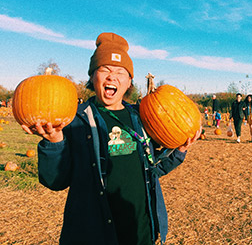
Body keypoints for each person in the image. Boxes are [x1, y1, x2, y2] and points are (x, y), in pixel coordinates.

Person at [21, 32, 200, 245]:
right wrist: (54, 142)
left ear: (128, 82)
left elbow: (153, 170)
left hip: (139, 232)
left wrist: (178, 151)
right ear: (92, 77)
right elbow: (55, 181)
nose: (111, 77)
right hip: (92, 234)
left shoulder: (140, 118)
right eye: (104, 70)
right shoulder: (73, 120)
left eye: (120, 72)